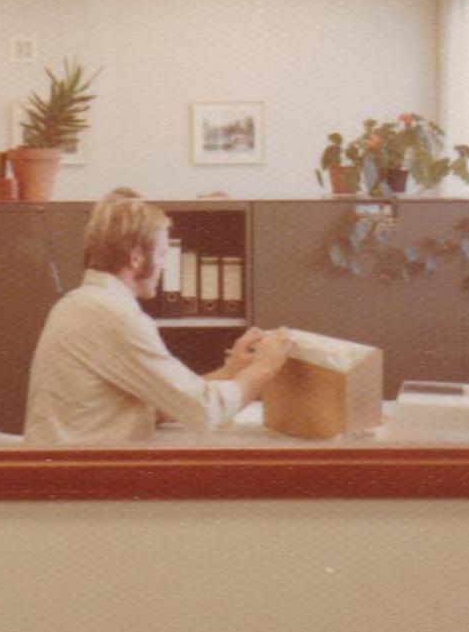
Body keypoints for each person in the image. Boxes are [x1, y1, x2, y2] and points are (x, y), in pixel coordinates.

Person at [23, 190, 291, 444]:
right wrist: (264, 367)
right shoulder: (112, 315)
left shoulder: (82, 304)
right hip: (85, 472)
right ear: (136, 258)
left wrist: (232, 372)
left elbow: (165, 405)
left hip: (73, 464)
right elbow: (205, 410)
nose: (164, 266)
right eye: (163, 254)